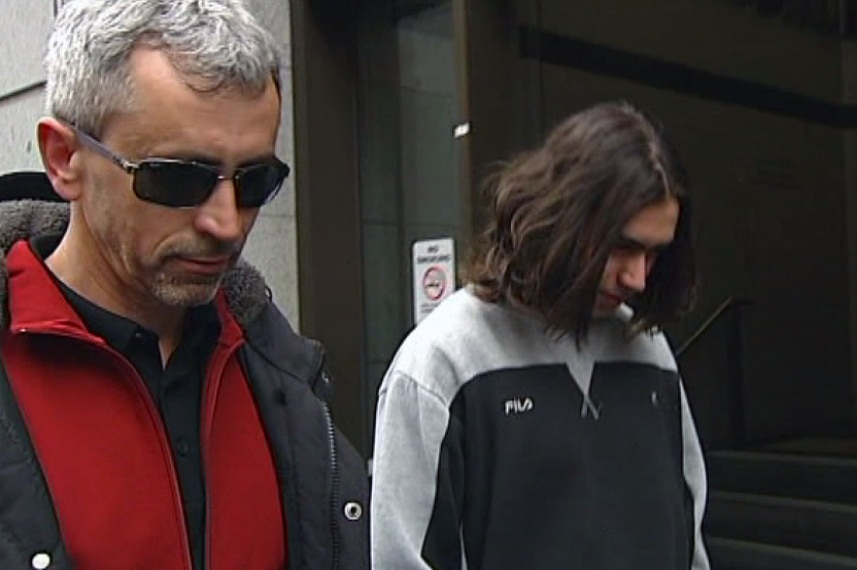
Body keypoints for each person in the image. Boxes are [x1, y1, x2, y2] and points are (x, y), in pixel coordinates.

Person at [0, 1, 368, 569]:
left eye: (255, 180)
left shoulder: (280, 373)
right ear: (64, 157)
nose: (227, 222)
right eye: (177, 177)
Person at [371, 101, 709, 569]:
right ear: (562, 218)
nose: (638, 278)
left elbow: (688, 546)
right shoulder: (441, 363)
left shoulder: (650, 355)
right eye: (623, 247)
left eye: (654, 255)